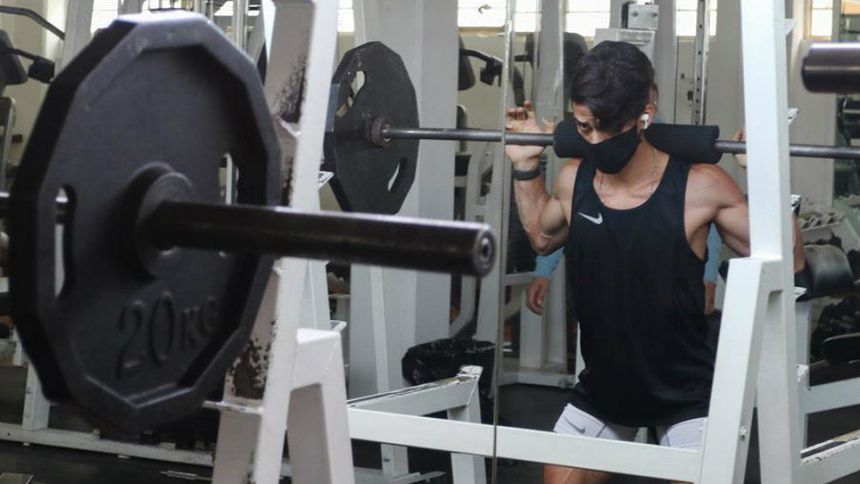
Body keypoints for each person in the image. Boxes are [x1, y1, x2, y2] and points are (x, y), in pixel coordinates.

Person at [505, 41, 805, 484]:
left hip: (684, 395)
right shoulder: (574, 180)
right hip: (604, 390)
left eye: (609, 128)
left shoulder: (701, 186)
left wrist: (764, 173)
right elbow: (542, 237)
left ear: (647, 108)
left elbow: (790, 259)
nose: (596, 142)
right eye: (584, 127)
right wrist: (526, 167)